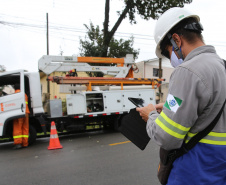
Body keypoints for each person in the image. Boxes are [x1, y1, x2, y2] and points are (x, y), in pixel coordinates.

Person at [136, 7, 226, 184]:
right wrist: (169, 108)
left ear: (176, 39)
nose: (172, 60)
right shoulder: (222, 66)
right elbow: (206, 112)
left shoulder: (187, 70)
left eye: (169, 53)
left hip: (193, 173)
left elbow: (167, 137)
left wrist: (150, 115)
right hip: (219, 171)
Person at [13, 84, 30, 149]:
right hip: (26, 112)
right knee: (25, 128)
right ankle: (25, 143)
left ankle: (18, 143)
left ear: (14, 88)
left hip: (19, 113)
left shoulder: (15, 94)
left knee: (18, 128)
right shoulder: (24, 94)